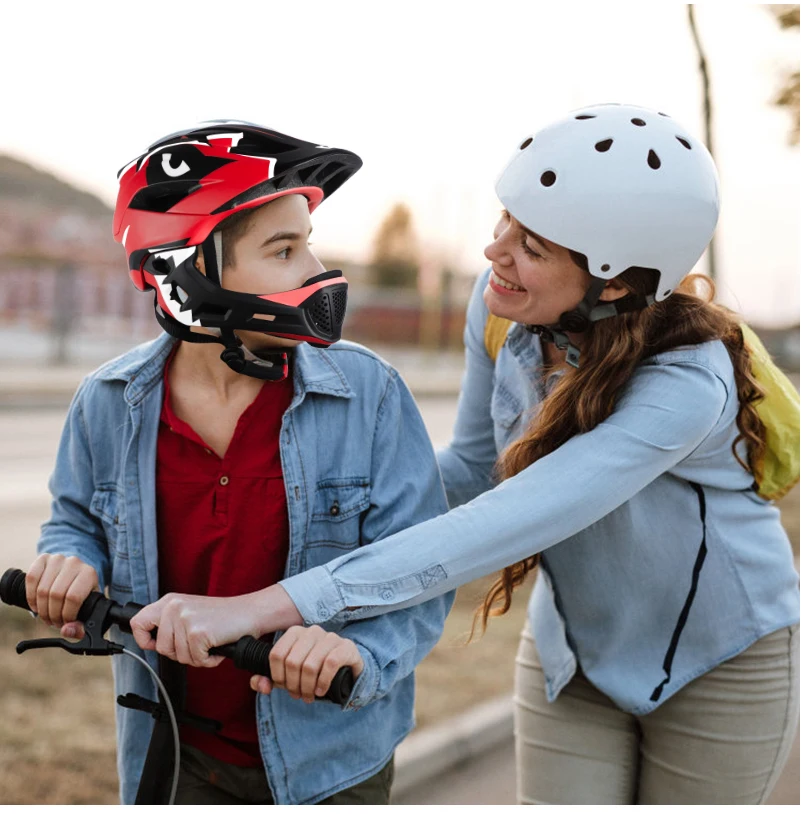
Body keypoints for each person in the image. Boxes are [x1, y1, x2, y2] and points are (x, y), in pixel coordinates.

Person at [131, 105, 800, 805]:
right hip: (572, 656)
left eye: (532, 248)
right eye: (503, 222)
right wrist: (294, 540)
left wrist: (271, 606)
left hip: (723, 661)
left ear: (613, 284)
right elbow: (471, 476)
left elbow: (513, 517)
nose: (494, 254)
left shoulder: (687, 385)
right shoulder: (503, 308)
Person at [25, 121, 454, 805]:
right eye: (284, 250)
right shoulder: (106, 403)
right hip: (174, 756)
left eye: (305, 244)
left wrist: (360, 655)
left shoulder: (369, 395)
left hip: (332, 761)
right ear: (187, 270)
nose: (315, 271)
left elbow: (421, 570)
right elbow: (75, 523)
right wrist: (68, 563)